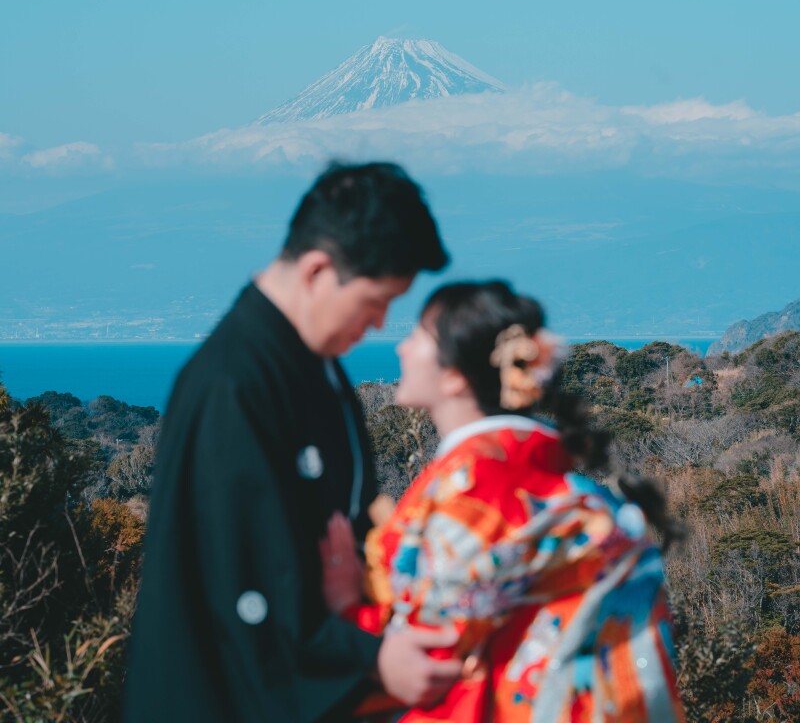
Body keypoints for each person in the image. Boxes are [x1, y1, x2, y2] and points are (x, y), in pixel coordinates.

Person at [124, 161, 460, 723]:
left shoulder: (310, 366)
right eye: (375, 301)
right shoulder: (232, 385)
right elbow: (244, 595)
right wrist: (374, 659)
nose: (379, 323)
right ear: (317, 271)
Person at [321, 281, 685, 722]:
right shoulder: (564, 486)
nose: (401, 348)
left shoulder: (474, 492)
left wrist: (347, 605)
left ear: (454, 375)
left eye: (417, 336)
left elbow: (428, 657)